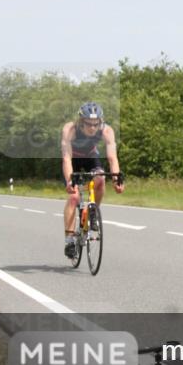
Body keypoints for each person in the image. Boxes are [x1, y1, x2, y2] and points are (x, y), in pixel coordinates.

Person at [61, 102, 124, 257]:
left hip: (91, 157)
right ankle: (69, 240)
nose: (92, 128)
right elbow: (67, 160)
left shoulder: (107, 131)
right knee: (74, 197)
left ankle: (94, 211)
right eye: (89, 124)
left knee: (101, 179)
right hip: (73, 159)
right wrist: (70, 182)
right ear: (81, 121)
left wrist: (117, 180)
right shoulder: (70, 130)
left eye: (96, 124)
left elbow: (112, 158)